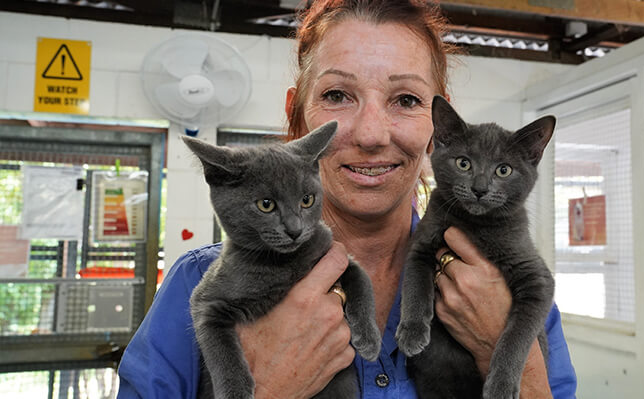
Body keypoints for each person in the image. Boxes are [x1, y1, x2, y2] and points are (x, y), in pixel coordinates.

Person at [117, 1, 577, 398]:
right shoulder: (194, 285)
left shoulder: (509, 292)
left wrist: (514, 361)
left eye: (406, 100)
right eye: (337, 94)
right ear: (297, 115)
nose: (372, 135)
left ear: (439, 127)